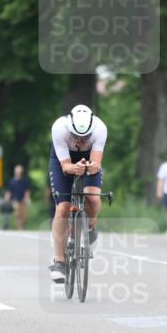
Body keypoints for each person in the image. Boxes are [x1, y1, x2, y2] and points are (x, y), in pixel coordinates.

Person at [48, 104, 107, 283]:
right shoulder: (59, 128)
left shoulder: (100, 129)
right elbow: (65, 166)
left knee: (93, 198)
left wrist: (91, 166)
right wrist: (74, 168)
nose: (81, 140)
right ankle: (59, 261)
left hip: (89, 157)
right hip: (63, 160)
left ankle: (89, 228)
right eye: (76, 136)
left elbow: (96, 162)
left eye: (85, 136)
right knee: (63, 208)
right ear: (69, 127)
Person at [4, 164, 31, 231]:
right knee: (17, 214)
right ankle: (19, 228)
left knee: (24, 216)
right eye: (17, 171)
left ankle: (21, 226)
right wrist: (6, 199)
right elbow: (9, 192)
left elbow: (27, 191)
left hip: (23, 201)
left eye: (20, 171)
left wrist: (27, 198)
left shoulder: (25, 181)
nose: (19, 173)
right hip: (15, 201)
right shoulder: (12, 182)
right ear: (15, 172)